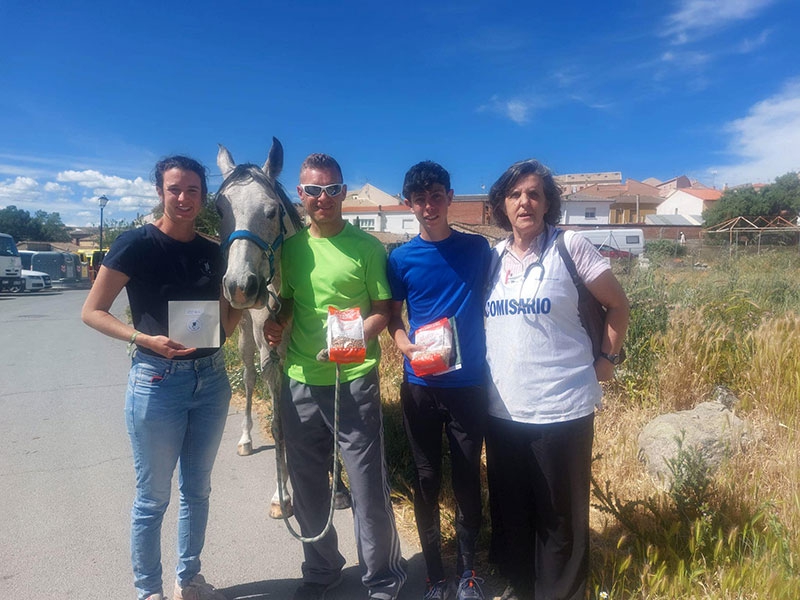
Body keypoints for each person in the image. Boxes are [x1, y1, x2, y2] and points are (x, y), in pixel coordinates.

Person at [81, 156, 242, 600]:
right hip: (157, 381)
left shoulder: (214, 251)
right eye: (175, 189)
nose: (185, 198)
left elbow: (228, 318)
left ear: (203, 196)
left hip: (211, 382)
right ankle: (148, 591)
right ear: (160, 191)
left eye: (193, 190)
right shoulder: (136, 244)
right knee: (152, 499)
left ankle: (188, 581)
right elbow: (91, 311)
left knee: (198, 491)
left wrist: (241, 313)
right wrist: (142, 338)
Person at [483, 159, 630, 600]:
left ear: (547, 203)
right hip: (503, 409)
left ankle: (560, 594)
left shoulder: (571, 246)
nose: (524, 202)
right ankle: (522, 586)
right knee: (514, 509)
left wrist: (608, 358)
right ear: (501, 205)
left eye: (534, 194)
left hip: (562, 407)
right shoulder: (492, 259)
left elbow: (618, 306)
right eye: (514, 194)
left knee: (561, 516)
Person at [264, 153, 406, 600]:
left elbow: (384, 311)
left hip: (355, 379)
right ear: (300, 195)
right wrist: (277, 322)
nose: (321, 198)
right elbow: (287, 301)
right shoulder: (291, 248)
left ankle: (382, 578)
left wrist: (355, 338)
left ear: (344, 193)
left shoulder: (367, 248)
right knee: (306, 487)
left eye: (331, 189)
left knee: (366, 488)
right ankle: (322, 571)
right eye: (312, 190)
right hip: (300, 379)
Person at [386, 161, 491, 600]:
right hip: (420, 385)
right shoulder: (400, 258)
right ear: (409, 205)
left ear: (449, 198)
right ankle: (434, 576)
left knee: (468, 477)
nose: (429, 206)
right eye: (419, 199)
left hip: (469, 385)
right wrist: (403, 345)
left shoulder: (479, 250)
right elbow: (394, 317)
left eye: (436, 196)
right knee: (427, 480)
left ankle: (468, 575)